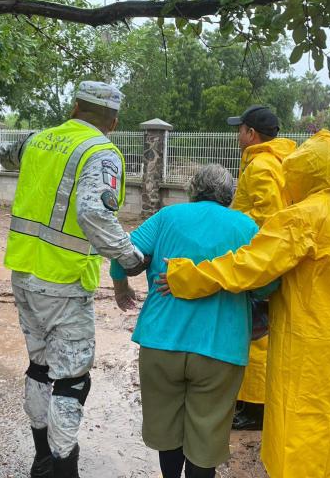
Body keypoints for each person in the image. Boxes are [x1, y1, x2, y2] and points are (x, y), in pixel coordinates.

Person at [158, 130, 330, 478]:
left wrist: (188, 276)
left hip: (307, 345)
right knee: (328, 422)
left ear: (305, 171)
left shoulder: (305, 217)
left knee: (296, 424)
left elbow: (249, 266)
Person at [0, 81, 149, 478]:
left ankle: (42, 458)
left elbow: (0, 153)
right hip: (64, 279)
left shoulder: (39, 139)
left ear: (75, 106)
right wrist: (130, 259)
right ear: (113, 122)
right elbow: (94, 214)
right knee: (71, 381)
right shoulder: (101, 152)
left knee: (40, 368)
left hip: (24, 273)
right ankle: (64, 469)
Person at [110, 165, 278, 478]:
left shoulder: (167, 217)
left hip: (160, 342)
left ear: (192, 190)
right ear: (230, 195)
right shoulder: (246, 226)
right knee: (207, 435)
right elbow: (267, 286)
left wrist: (121, 288)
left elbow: (123, 253)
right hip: (221, 350)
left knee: (167, 430)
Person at [228, 105, 296, 430]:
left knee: (255, 336)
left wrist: (235, 225)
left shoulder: (261, 166)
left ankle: (255, 410)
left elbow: (270, 217)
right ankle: (253, 402)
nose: (237, 135)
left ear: (251, 133)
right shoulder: (277, 162)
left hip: (260, 260)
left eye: (239, 129)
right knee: (259, 333)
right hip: (267, 258)